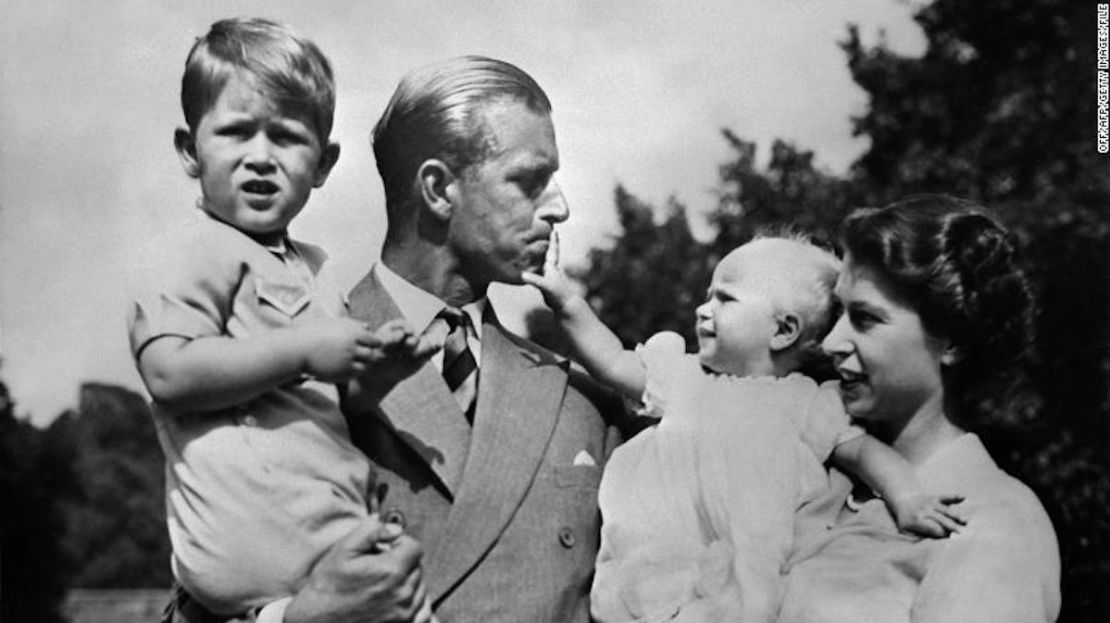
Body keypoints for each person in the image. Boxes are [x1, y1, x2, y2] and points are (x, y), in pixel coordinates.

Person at [126, 18, 433, 623]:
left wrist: (377, 374)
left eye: (288, 138)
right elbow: (168, 373)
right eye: (236, 133)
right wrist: (303, 348)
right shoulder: (190, 248)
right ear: (191, 151)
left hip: (335, 534)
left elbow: (334, 400)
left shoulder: (314, 268)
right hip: (248, 557)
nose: (260, 157)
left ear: (322, 163)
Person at [525, 232, 965, 622]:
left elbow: (865, 454)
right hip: (657, 570)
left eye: (724, 299)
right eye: (708, 294)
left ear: (783, 330)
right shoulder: (686, 376)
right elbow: (613, 362)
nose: (702, 309)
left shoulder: (808, 404)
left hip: (747, 582)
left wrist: (908, 497)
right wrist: (567, 303)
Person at [339, 55, 627, 622]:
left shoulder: (585, 404)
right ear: (439, 188)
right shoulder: (293, 371)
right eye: (528, 180)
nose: (560, 208)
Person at [775, 195, 1061, 622]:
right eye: (838, 313)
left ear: (953, 342)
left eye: (866, 318)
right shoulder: (818, 474)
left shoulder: (994, 523)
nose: (832, 341)